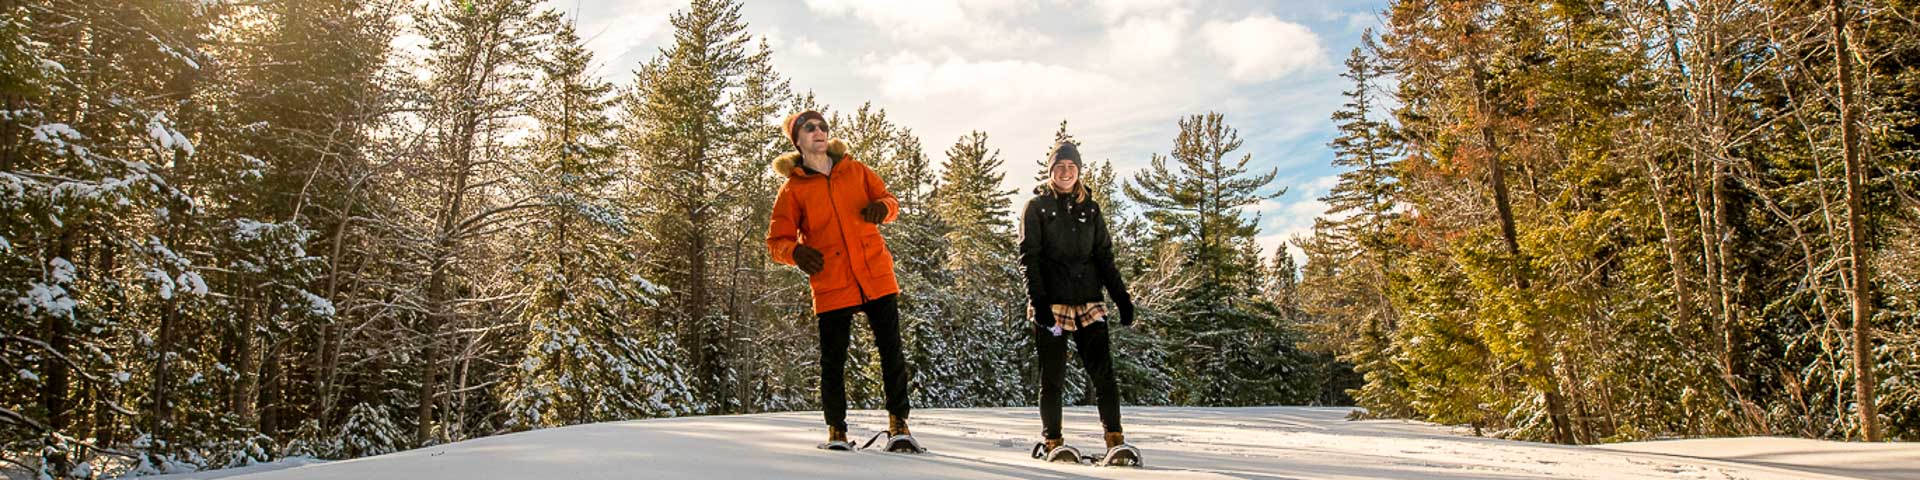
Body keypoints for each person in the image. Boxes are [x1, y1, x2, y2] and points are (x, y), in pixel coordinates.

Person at [766, 110, 917, 452]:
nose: (819, 131)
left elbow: (890, 200)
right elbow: (776, 242)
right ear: (798, 140)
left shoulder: (856, 169)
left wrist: (883, 209)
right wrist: (796, 253)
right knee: (833, 361)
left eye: (823, 126)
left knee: (892, 352)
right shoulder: (792, 189)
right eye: (810, 128)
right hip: (832, 281)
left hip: (876, 274)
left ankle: (899, 424)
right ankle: (836, 431)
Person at [1019, 141, 1140, 465]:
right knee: (1053, 377)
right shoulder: (1037, 208)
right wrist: (1038, 302)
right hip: (1053, 305)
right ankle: (1052, 440)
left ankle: (1115, 439)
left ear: (1079, 171)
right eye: (1060, 167)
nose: (1066, 172)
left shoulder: (1091, 209)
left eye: (1071, 167)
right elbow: (1028, 258)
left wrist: (1121, 298)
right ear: (1051, 171)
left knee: (1103, 374)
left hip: (1089, 302)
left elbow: (1104, 257)